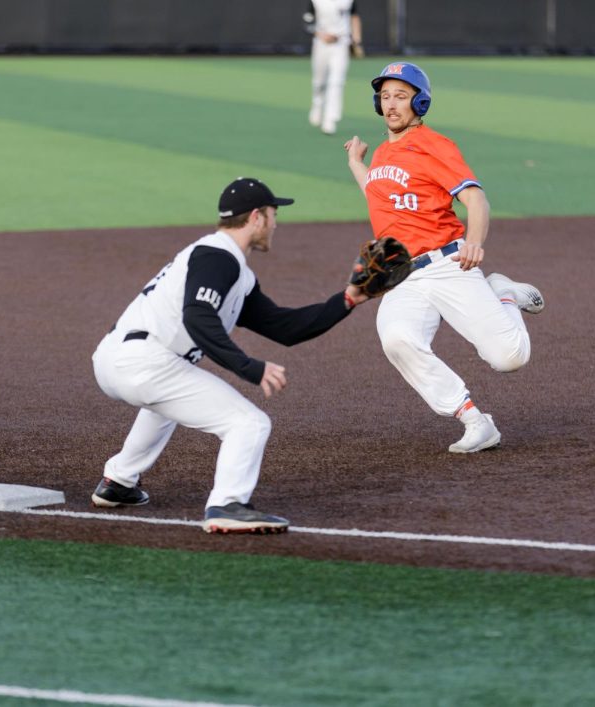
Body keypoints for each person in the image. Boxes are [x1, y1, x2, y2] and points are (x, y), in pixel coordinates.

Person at [90, 177, 369, 533]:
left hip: (122, 359)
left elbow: (285, 327)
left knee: (167, 402)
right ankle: (228, 504)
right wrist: (248, 367)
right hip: (144, 361)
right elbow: (198, 317)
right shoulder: (217, 256)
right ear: (256, 217)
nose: (276, 223)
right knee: (249, 423)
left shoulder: (233, 268)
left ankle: (119, 481)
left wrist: (348, 299)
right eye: (273, 214)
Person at [343, 62, 545, 453]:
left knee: (509, 358)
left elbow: (476, 199)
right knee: (398, 339)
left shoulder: (436, 146)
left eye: (400, 96)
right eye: (385, 96)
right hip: (403, 277)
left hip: (449, 266)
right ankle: (474, 420)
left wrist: (475, 241)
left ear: (420, 101)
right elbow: (379, 192)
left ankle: (504, 294)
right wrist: (356, 164)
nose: (391, 105)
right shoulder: (384, 152)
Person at [303, 0, 364, 136]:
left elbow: (354, 17)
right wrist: (321, 35)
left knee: (337, 82)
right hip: (321, 44)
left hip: (341, 43)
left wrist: (357, 41)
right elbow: (307, 23)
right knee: (319, 82)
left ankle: (330, 119)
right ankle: (317, 104)